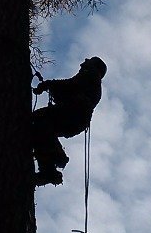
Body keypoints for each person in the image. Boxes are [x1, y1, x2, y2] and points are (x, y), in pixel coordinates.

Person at [32, 57, 107, 186]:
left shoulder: (91, 74)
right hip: (76, 120)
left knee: (37, 120)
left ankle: (55, 159)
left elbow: (70, 85)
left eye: (87, 61)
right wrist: (50, 87)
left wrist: (48, 84)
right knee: (43, 129)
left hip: (73, 113)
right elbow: (70, 90)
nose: (82, 63)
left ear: (94, 65)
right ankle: (50, 167)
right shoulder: (93, 83)